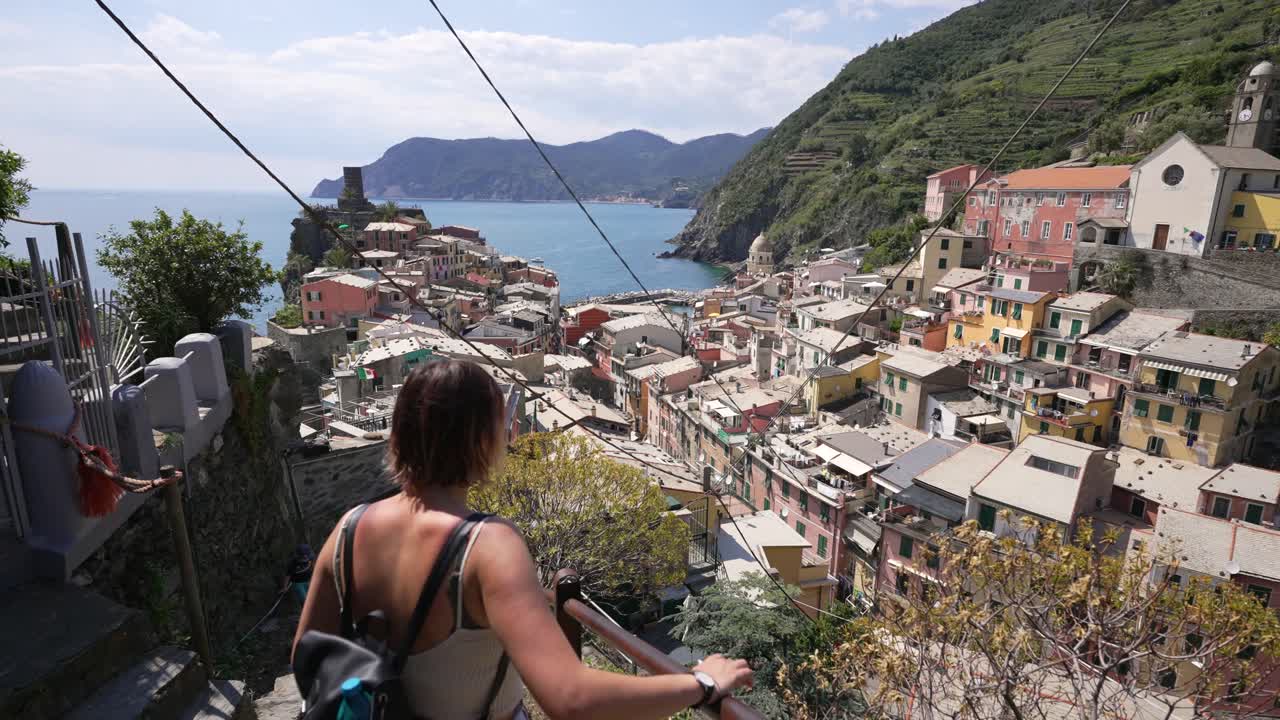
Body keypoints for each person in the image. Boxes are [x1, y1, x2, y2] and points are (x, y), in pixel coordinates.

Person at [294, 359, 753, 719]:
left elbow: (306, 656)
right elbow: (570, 698)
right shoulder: (487, 547)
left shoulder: (349, 529)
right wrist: (701, 684)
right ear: (483, 438)